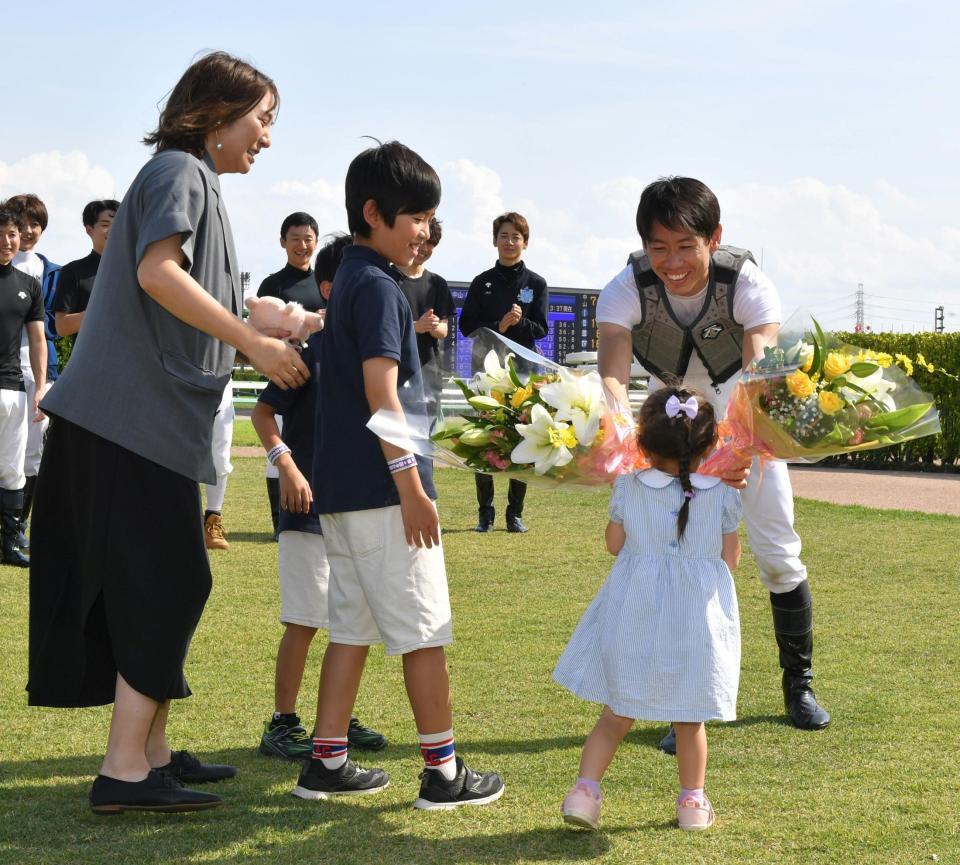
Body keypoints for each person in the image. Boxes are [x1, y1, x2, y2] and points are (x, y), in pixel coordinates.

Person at [27, 51, 309, 815]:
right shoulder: (179, 173)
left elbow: (198, 292)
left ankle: (150, 751)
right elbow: (160, 275)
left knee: (153, 582)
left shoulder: (194, 180)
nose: (267, 138)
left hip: (140, 427)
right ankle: (124, 770)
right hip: (129, 423)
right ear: (216, 115)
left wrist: (277, 322)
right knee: (170, 581)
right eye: (262, 120)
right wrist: (255, 345)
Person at [298, 140, 504, 808]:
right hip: (387, 494)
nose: (426, 230)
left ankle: (326, 760)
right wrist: (413, 489)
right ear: (373, 212)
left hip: (344, 491)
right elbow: (385, 399)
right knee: (424, 629)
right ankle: (443, 772)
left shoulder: (352, 279)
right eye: (416, 215)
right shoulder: (382, 289)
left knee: (351, 626)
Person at [595, 176, 830, 743]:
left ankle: (798, 682)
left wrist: (741, 448)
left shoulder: (748, 282)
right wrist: (620, 435)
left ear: (714, 237)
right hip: (671, 422)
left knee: (776, 549)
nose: (671, 261)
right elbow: (611, 374)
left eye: (685, 246)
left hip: (740, 408)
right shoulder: (625, 287)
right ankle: (683, 700)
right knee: (674, 558)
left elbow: (759, 373)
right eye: (659, 247)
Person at [555, 387, 742, 831]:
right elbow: (729, 559)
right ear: (709, 444)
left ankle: (585, 793)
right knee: (689, 719)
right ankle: (692, 804)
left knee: (616, 712)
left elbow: (613, 545)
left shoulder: (629, 485)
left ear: (642, 443)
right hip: (695, 619)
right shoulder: (723, 493)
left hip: (634, 614)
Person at [252, 232, 386, 762]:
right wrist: (285, 465)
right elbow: (264, 414)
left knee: (350, 618)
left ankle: (338, 717)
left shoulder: (370, 351)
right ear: (331, 288)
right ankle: (282, 723)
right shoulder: (310, 352)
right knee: (305, 618)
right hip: (307, 509)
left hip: (351, 504)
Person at [459, 212, 548, 533]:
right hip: (486, 373)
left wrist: (520, 323)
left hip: (523, 377)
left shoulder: (535, 284)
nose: (510, 242)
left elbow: (540, 329)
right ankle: (485, 513)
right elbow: (466, 326)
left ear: (525, 243)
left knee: (520, 440)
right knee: (482, 441)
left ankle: (515, 514)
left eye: (516, 237)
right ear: (494, 240)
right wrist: (498, 327)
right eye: (504, 236)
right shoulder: (481, 281)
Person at [6, 193, 60, 547]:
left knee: (32, 452)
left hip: (40, 369)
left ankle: (16, 528)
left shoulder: (51, 271)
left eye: (34, 224)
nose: (27, 231)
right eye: (19, 224)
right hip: (6, 368)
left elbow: (48, 328)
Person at [0, 204, 47, 567]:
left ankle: (10, 544)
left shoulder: (29, 285)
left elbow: (38, 340)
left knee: (13, 468)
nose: (7, 241)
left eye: (12, 234)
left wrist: (41, 386)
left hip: (14, 389)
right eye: (1, 234)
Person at [397, 217, 454, 415]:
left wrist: (433, 325)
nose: (424, 248)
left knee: (427, 440)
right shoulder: (388, 279)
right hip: (397, 374)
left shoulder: (438, 284)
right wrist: (415, 326)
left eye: (430, 244)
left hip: (429, 374)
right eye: (420, 242)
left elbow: (443, 331)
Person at [53, 200, 119, 341]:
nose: (113, 230)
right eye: (105, 225)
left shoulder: (139, 269)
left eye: (119, 224)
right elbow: (61, 326)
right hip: (91, 359)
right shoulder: (73, 271)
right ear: (89, 230)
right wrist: (99, 312)